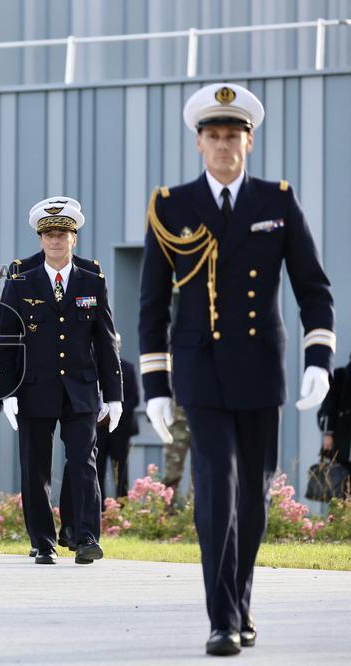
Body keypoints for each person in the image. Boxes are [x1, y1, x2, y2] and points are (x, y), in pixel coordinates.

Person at [138, 82, 335, 656]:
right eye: (214, 136)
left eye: (234, 136)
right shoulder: (170, 206)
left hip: (260, 371)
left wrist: (317, 358)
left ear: (249, 142)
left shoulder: (276, 202)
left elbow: (314, 290)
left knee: (253, 498)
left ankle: (241, 602)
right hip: (200, 373)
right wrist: (155, 385)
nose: (224, 145)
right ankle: (221, 619)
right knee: (217, 496)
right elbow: (153, 305)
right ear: (199, 143)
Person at [0, 197, 122, 567]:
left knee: (84, 461)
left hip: (81, 388)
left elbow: (105, 339)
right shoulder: (21, 277)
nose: (56, 240)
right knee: (36, 467)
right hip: (34, 388)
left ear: (74, 238)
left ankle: (85, 536)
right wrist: (7, 392)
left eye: (63, 233)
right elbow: (8, 339)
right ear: (40, 239)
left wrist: (114, 395)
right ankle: (43, 541)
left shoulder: (92, 278)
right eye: (49, 234)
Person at [95, 333, 139, 501]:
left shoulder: (128, 367)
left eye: (117, 343)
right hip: (98, 428)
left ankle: (122, 510)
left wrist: (114, 416)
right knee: (97, 470)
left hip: (121, 430)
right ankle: (99, 509)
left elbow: (134, 398)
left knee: (120, 471)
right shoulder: (95, 366)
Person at [319, 353, 351, 497]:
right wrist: (328, 433)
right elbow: (328, 408)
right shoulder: (340, 376)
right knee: (340, 493)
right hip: (343, 444)